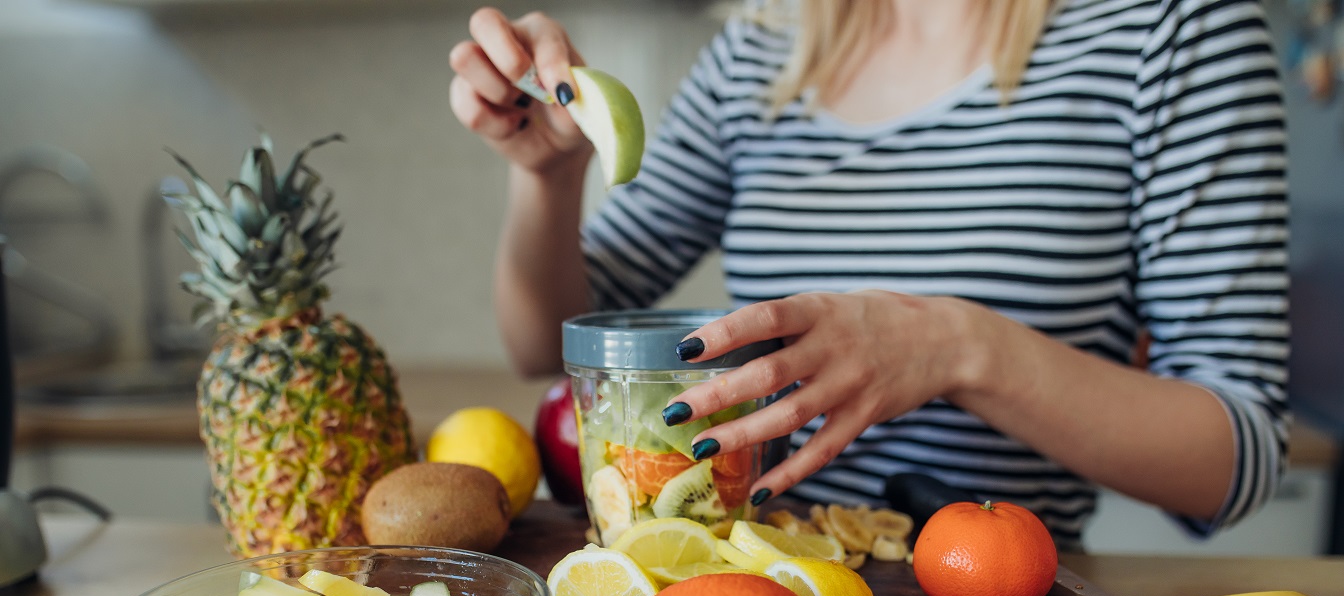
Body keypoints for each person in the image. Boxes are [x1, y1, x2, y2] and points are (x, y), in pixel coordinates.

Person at [448, 0, 1290, 551]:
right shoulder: (757, 54)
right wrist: (545, 178)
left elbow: (1239, 456)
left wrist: (959, 347)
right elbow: (544, 338)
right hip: (766, 587)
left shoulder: (1174, 32)